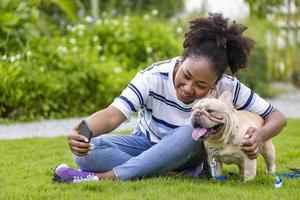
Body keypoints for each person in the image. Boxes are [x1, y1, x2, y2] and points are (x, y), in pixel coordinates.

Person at [52, 13, 286, 183]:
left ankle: (106, 178)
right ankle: (166, 172)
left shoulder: (229, 87)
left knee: (190, 131)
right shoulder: (152, 76)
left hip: (189, 150)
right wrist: (84, 130)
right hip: (147, 144)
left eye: (201, 85)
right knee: (88, 152)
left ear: (215, 83)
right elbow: (113, 115)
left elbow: (277, 117)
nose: (187, 88)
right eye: (186, 76)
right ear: (182, 59)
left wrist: (260, 135)